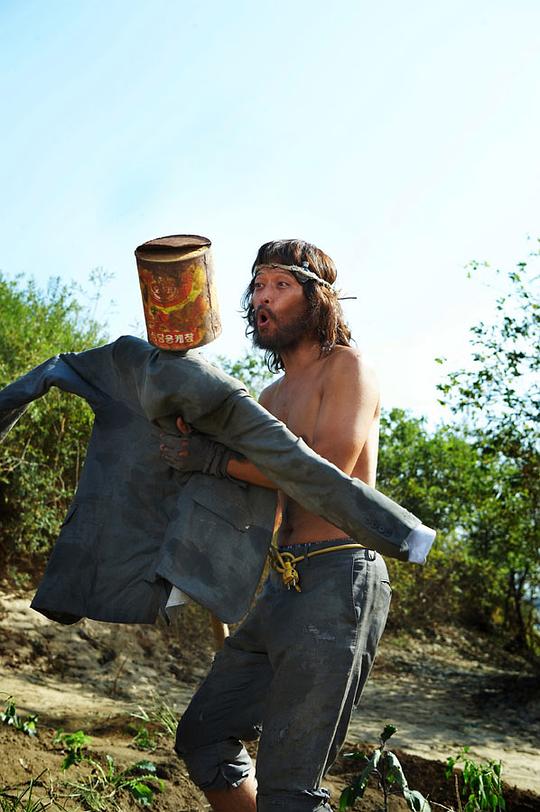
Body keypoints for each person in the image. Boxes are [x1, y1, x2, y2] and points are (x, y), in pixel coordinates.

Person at [162, 239, 393, 812]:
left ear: (318, 299)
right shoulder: (267, 397)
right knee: (204, 736)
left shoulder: (349, 368)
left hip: (340, 578)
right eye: (258, 286)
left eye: (280, 285)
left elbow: (325, 470)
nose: (263, 297)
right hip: (282, 585)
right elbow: (254, 491)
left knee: (291, 788)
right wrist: (191, 438)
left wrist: (217, 460)